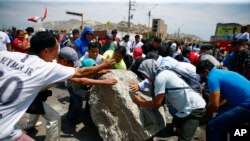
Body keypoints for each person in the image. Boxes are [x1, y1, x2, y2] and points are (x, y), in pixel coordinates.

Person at [0, 31, 115, 141]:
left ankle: (29, 125)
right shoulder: (49, 67)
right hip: (6, 127)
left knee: (38, 105)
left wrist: (97, 72)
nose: (57, 53)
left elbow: (78, 73)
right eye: (56, 49)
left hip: (31, 98)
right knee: (54, 117)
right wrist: (102, 69)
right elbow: (80, 76)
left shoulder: (5, 55)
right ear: (46, 51)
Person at [131, 59, 206, 141]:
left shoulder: (160, 78)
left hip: (194, 108)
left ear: (149, 70)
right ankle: (180, 130)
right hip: (185, 107)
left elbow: (157, 103)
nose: (144, 77)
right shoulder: (164, 72)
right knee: (176, 122)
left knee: (184, 139)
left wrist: (140, 102)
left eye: (144, 74)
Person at [196, 60, 250, 141]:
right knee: (221, 122)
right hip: (243, 102)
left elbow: (215, 105)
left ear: (206, 71)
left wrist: (207, 115)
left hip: (246, 104)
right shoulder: (222, 72)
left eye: (202, 74)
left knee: (212, 125)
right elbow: (223, 99)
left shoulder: (212, 77)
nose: (202, 77)